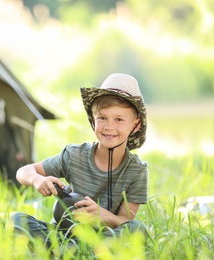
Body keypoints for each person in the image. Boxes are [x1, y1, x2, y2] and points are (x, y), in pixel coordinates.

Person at [11, 73, 148, 247]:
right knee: (17, 220)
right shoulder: (74, 155)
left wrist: (103, 215)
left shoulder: (137, 171)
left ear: (135, 124)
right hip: (64, 233)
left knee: (136, 229)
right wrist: (37, 179)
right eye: (102, 118)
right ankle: (69, 249)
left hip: (103, 239)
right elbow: (23, 172)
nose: (109, 126)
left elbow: (125, 221)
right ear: (93, 119)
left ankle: (74, 252)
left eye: (119, 119)